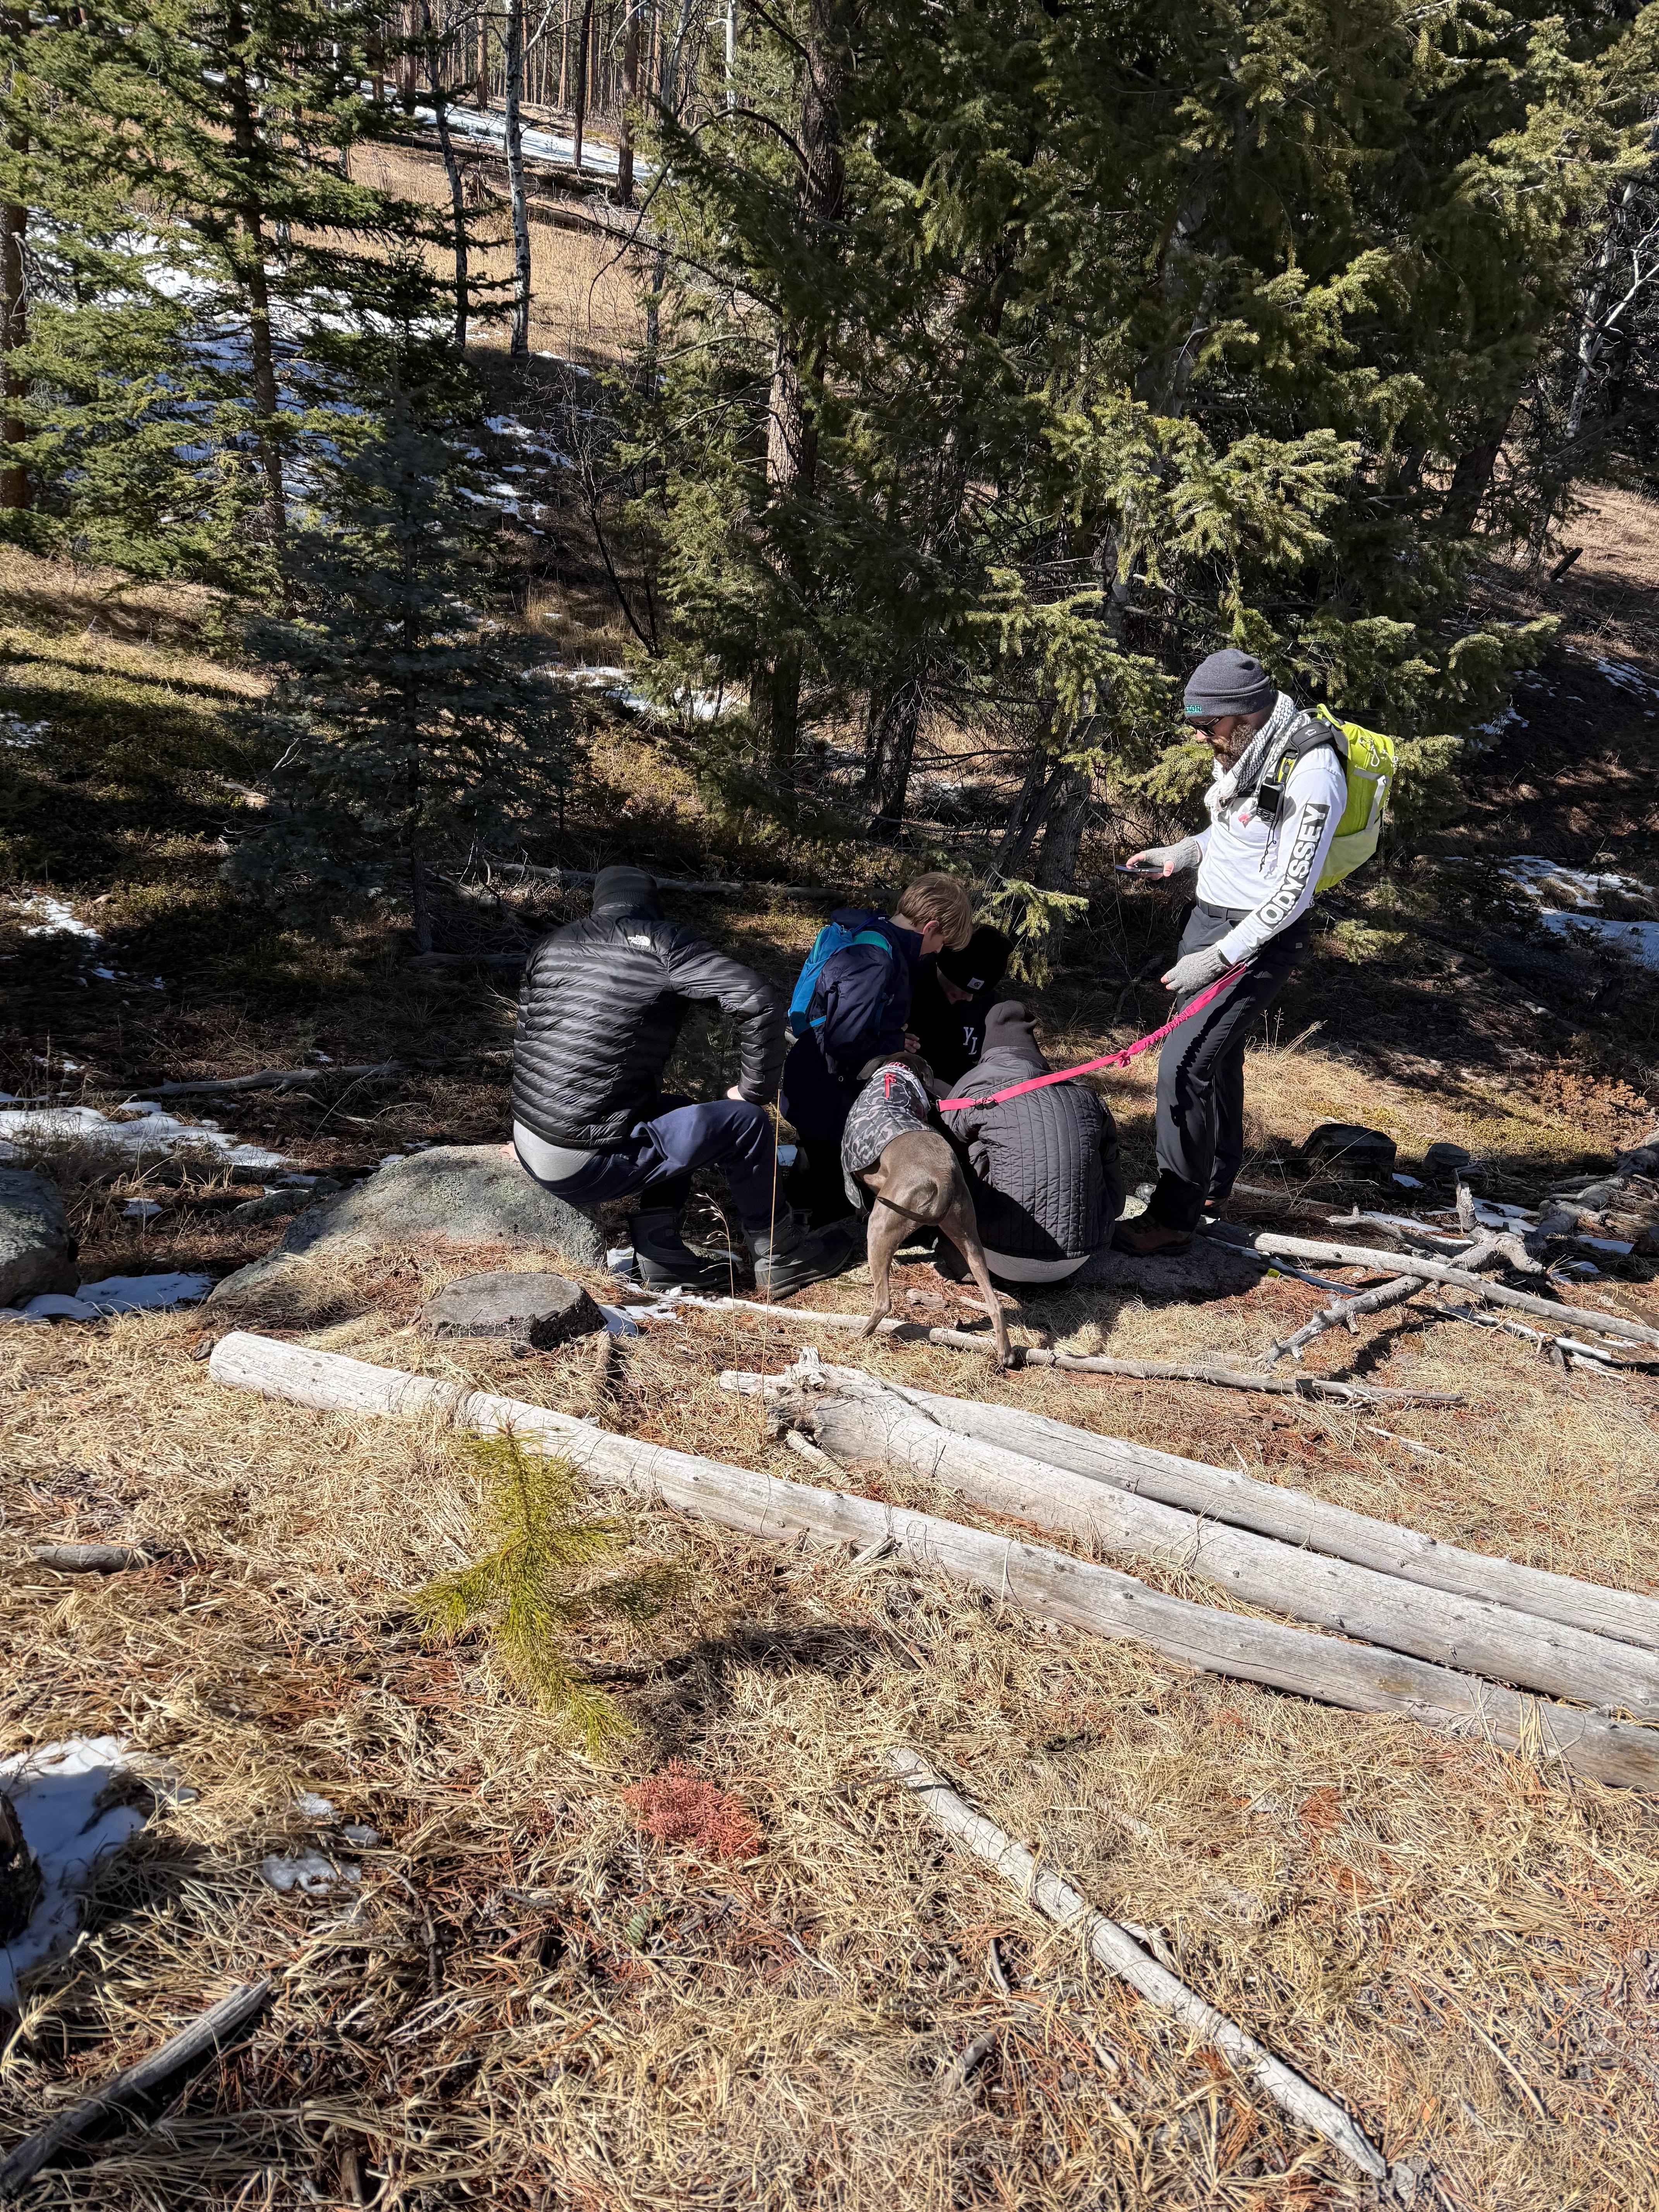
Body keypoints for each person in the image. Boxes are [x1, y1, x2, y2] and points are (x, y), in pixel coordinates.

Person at [510, 864, 855, 1293]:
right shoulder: (661, 944)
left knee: (674, 1111)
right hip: (587, 1158)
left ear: (600, 902)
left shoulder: (551, 944)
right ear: (650, 904)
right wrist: (752, 1092)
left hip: (532, 1139)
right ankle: (781, 1256)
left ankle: (662, 1255)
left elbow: (527, 1035)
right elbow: (757, 1000)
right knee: (744, 1124)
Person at [1115, 648, 1345, 1256]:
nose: (1201, 737)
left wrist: (1219, 958)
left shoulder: (1314, 769)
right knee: (1216, 1057)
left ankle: (1172, 1219)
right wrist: (1184, 854)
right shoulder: (1253, 748)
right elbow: (1241, 823)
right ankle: (1212, 1185)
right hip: (1211, 920)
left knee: (1182, 1065)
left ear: (1245, 712)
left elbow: (1293, 893)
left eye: (1207, 725)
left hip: (1256, 937)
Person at [780, 871, 973, 1223]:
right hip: (826, 1083)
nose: (939, 951)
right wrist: (893, 1043)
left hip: (819, 1078)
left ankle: (796, 1218)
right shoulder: (876, 959)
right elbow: (844, 1038)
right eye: (943, 941)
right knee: (826, 1174)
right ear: (930, 927)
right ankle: (816, 1236)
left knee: (814, 1161)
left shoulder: (880, 933)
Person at [941, 1002, 1122, 1286]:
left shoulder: (975, 1092)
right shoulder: (1086, 1097)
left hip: (1000, 1255)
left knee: (966, 1147)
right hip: (1080, 1255)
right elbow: (1115, 1188)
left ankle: (965, 1256)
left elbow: (941, 1158)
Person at [908, 924, 1013, 1084]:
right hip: (909, 1085)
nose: (969, 999)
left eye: (976, 993)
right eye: (961, 990)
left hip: (964, 1097)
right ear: (943, 971)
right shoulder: (910, 984)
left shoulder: (992, 1007)